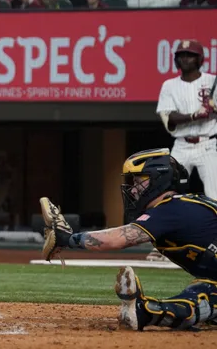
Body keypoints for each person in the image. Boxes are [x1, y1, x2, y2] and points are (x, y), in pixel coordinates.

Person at [39, 146, 217, 331]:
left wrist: (68, 238)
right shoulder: (179, 206)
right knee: (206, 290)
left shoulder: (171, 209)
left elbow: (118, 239)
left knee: (207, 294)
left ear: (159, 179)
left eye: (139, 181)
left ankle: (144, 311)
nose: (132, 190)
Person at [156, 39, 217, 199]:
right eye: (181, 55)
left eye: (190, 55)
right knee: (168, 191)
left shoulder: (212, 81)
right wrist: (194, 115)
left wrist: (214, 109)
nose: (185, 58)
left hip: (208, 144)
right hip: (182, 145)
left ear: (199, 59)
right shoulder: (169, 85)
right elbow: (169, 117)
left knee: (215, 194)